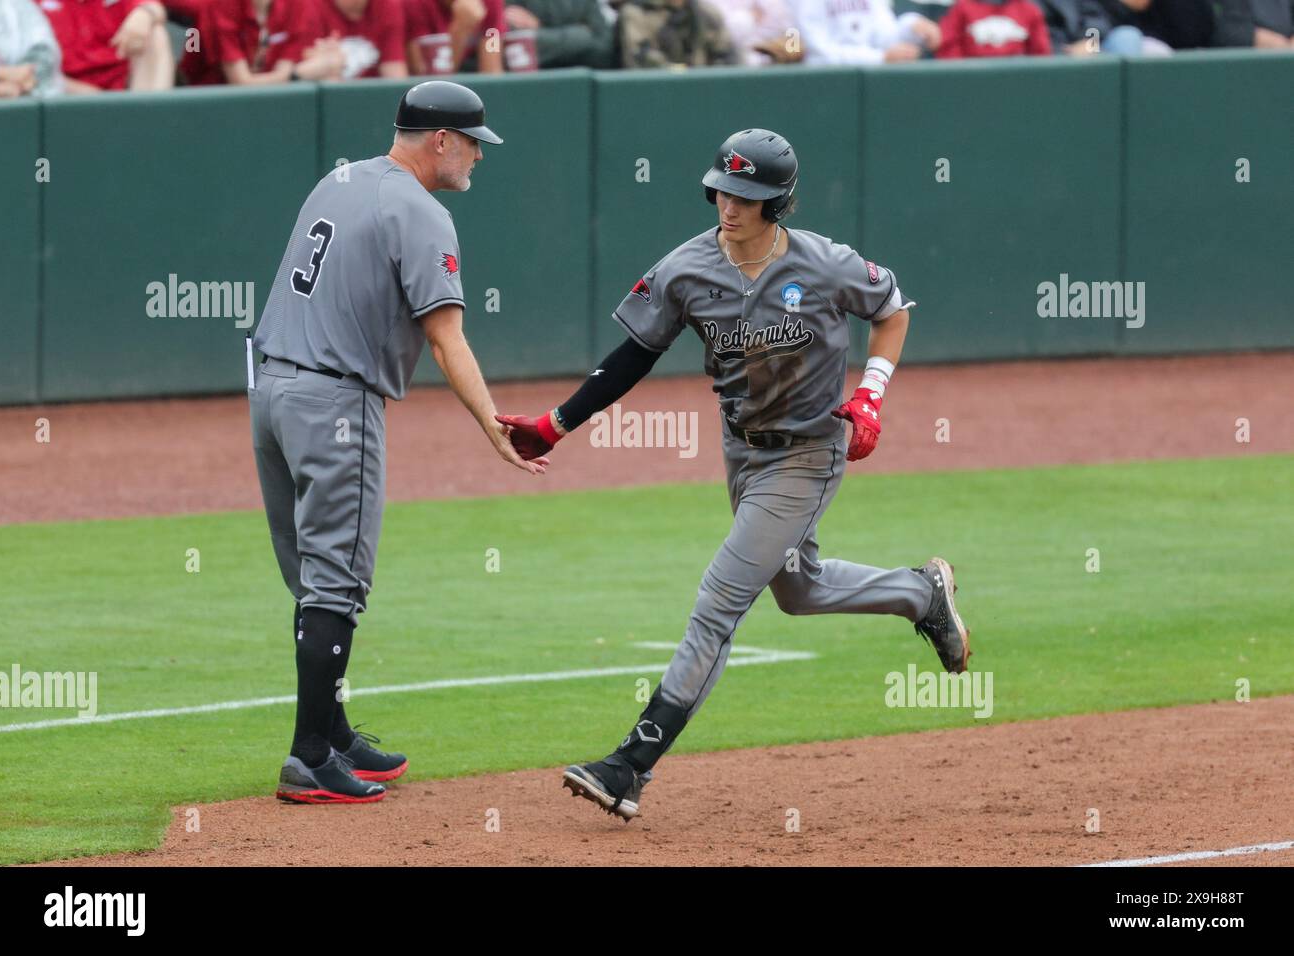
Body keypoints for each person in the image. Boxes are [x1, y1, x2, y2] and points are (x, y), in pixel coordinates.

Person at [497, 129, 971, 821]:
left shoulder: (825, 264)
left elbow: (891, 310)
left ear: (777, 202)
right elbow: (632, 356)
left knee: (720, 600)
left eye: (746, 197)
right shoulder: (686, 269)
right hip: (741, 450)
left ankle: (631, 765)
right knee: (797, 590)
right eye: (722, 190)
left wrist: (871, 392)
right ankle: (919, 595)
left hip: (808, 453)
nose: (729, 205)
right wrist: (554, 424)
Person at [249, 81, 545, 804]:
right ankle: (310, 756)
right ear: (440, 140)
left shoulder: (339, 178)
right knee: (337, 583)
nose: (479, 154)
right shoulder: (421, 211)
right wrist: (494, 425)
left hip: (270, 394)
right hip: (334, 404)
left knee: (313, 579)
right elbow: (447, 340)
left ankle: (336, 732)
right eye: (473, 141)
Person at [180, 0, 345, 84]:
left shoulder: (296, 5)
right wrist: (300, 73)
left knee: (331, 75)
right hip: (206, 104)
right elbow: (241, 85)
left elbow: (283, 73)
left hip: (267, 103)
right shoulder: (224, 5)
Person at [34, 0, 175, 92]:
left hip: (124, 85)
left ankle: (151, 117)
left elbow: (152, 7)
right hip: (64, 90)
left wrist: (144, 14)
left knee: (155, 34)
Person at [791, 0, 942, 63]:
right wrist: (880, 57)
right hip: (822, 85)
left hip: (870, 83)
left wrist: (912, 26)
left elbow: (885, 37)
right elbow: (817, 53)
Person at [616, 0, 737, 67]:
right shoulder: (637, 13)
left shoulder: (706, 12)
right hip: (656, 94)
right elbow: (640, 60)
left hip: (707, 93)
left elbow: (727, 55)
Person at [502, 0, 616, 67]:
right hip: (529, 86)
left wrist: (538, 30)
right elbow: (514, 46)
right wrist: (581, 35)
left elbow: (603, 46)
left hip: (579, 82)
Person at [313, 0, 410, 77]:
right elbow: (311, 72)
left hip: (373, 95)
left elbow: (394, 71)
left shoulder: (387, 5)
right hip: (333, 93)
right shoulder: (313, 6)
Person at [405, 0, 506, 72]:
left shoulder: (492, 2)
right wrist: (461, 28)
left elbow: (492, 71)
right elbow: (427, 80)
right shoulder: (414, 3)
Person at [0, 0, 64, 97]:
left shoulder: (19, 3)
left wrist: (15, 84)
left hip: (28, 96)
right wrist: (1, 74)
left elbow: (44, 52)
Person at [936, 0, 1052, 56]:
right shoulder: (961, 8)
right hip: (972, 82)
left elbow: (1041, 54)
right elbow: (948, 50)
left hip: (1017, 81)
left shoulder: (1029, 10)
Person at [1037, 0, 1145, 52]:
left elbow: (1096, 21)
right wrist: (1064, 50)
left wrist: (1090, 43)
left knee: (1128, 37)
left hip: (1087, 49)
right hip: (1049, 55)